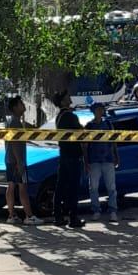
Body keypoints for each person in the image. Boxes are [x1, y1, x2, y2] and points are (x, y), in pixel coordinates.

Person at [51, 90, 84, 230]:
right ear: (63, 101)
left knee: (61, 186)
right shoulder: (70, 116)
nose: (70, 98)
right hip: (73, 155)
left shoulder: (59, 117)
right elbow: (80, 133)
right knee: (73, 187)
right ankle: (73, 217)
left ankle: (58, 216)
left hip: (64, 154)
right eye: (67, 97)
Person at [85, 103, 119, 225]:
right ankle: (96, 210)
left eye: (102, 109)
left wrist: (116, 156)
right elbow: (85, 145)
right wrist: (86, 161)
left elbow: (113, 141)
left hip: (108, 159)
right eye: (98, 109)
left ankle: (113, 211)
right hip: (94, 160)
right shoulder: (89, 126)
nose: (101, 111)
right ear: (94, 111)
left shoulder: (108, 124)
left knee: (111, 187)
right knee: (93, 187)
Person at [4, 95, 33, 222]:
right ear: (15, 107)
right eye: (21, 103)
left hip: (10, 160)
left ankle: (12, 215)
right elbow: (15, 143)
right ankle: (29, 216)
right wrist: (20, 162)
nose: (24, 105)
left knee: (11, 186)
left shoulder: (11, 121)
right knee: (22, 187)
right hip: (16, 161)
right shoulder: (15, 123)